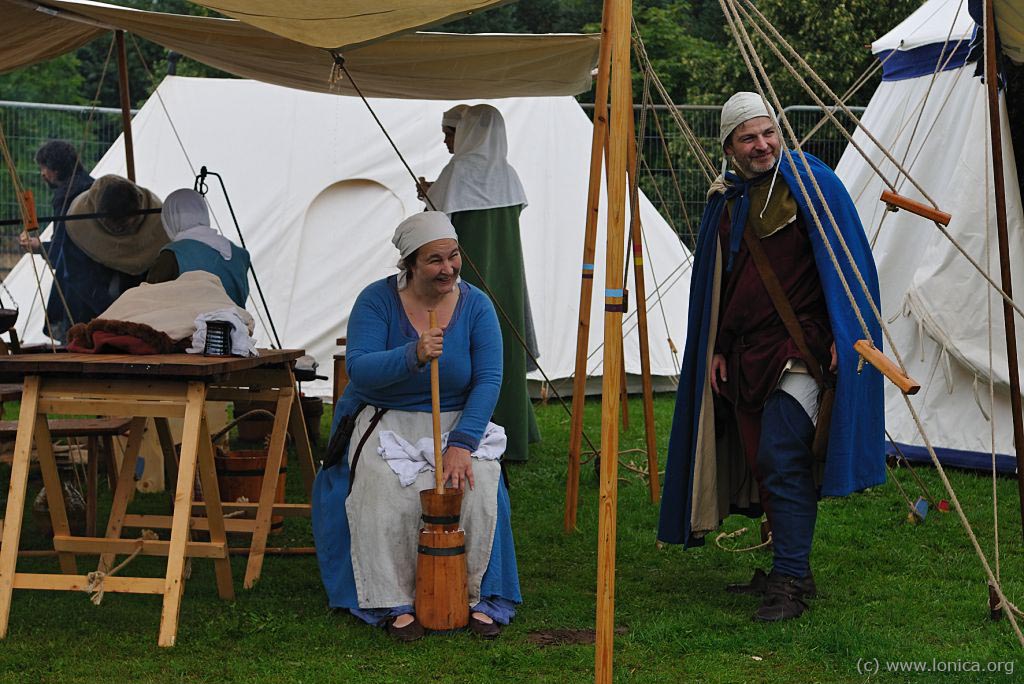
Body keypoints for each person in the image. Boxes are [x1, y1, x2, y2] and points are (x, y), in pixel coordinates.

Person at [657, 92, 884, 622]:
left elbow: (849, 266)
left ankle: (789, 582)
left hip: (799, 349)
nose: (761, 145)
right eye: (748, 138)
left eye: (768, 133)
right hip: (745, 356)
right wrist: (716, 346)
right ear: (729, 148)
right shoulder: (726, 200)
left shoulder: (813, 185)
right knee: (765, 464)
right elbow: (720, 284)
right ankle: (793, 567)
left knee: (781, 457)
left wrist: (845, 332)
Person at [312, 211, 521, 641]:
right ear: (409, 264)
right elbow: (359, 369)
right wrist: (413, 355)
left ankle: (480, 595)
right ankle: (390, 599)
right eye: (434, 260)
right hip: (386, 418)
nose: (448, 268)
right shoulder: (376, 301)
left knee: (479, 481)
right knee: (381, 486)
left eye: (453, 256)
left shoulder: (476, 306)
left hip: (458, 421)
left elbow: (489, 379)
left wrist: (462, 443)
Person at [426, 104, 540, 462]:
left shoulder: (458, 172)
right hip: (506, 278)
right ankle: (513, 435)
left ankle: (471, 433)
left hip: (467, 281)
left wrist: (430, 194)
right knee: (502, 347)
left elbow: (435, 224)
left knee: (469, 348)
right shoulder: (507, 174)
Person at [19, 140, 94, 342]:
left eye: (45, 167)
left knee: (75, 339)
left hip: (79, 283)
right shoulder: (91, 186)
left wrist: (38, 247)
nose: (42, 173)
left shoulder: (69, 195)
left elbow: (64, 250)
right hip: (100, 282)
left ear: (57, 168)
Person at [147, 188, 251, 308]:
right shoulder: (241, 255)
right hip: (238, 319)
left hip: (192, 320)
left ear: (169, 219)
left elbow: (149, 299)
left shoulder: (172, 255)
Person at [416, 104, 469, 201]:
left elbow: (457, 203)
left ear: (463, 134)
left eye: (449, 135)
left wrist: (430, 194)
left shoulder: (461, 166)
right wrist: (436, 187)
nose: (445, 141)